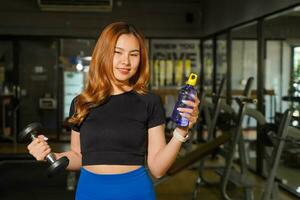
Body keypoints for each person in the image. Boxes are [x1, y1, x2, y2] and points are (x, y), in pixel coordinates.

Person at [27, 21, 200, 200]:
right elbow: (78, 156)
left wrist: (181, 130)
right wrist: (51, 155)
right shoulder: (81, 103)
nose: (126, 61)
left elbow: (157, 169)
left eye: (134, 54)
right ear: (103, 53)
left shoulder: (149, 102)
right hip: (90, 192)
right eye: (117, 52)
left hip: (136, 192)